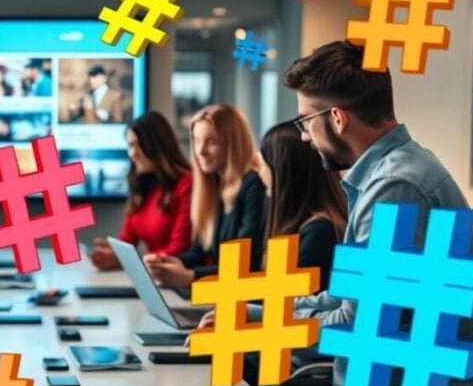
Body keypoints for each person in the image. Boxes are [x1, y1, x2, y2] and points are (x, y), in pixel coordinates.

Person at [169, 41, 473, 386]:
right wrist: (251, 315)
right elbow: (342, 304)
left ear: (336, 118)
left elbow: (355, 327)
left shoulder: (397, 187)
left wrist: (257, 326)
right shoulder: (388, 176)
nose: (303, 137)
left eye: (305, 122)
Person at [143, 104, 264, 286]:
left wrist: (191, 276)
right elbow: (199, 251)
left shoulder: (253, 185)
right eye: (197, 141)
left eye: (211, 142)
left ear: (233, 144)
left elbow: (245, 264)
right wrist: (167, 262)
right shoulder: (215, 185)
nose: (200, 151)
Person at [88, 111, 192, 270]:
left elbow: (179, 250)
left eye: (138, 145)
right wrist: (112, 252)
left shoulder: (186, 185)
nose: (132, 153)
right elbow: (127, 241)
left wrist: (126, 261)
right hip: (152, 274)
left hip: (174, 277)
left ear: (157, 146)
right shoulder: (142, 186)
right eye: (130, 145)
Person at [258, 121, 347, 291]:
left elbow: (288, 300)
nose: (260, 173)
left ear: (286, 170)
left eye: (265, 165)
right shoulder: (310, 226)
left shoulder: (319, 232)